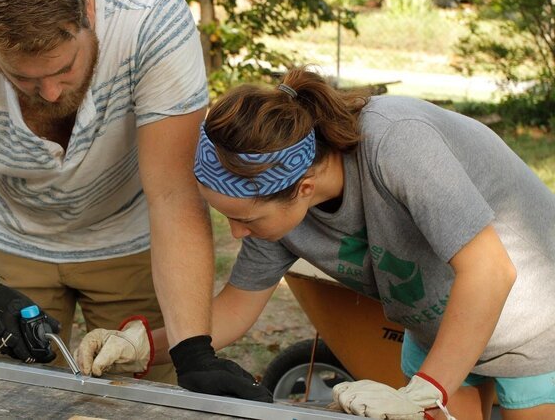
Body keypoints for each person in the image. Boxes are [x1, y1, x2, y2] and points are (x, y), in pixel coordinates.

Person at [76, 66, 555, 418]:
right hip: (439, 327)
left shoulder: (397, 144)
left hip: (530, 320)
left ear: (302, 187)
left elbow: (492, 271)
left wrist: (425, 390)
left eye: (244, 219)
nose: (237, 234)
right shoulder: (283, 215)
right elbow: (234, 311)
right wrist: (141, 344)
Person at [0, 0, 260, 389]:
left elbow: (174, 193)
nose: (50, 92)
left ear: (87, 7)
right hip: (13, 242)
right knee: (18, 396)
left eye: (64, 67)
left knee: (150, 397)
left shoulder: (150, 20)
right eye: (23, 77)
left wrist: (193, 349)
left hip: (133, 236)